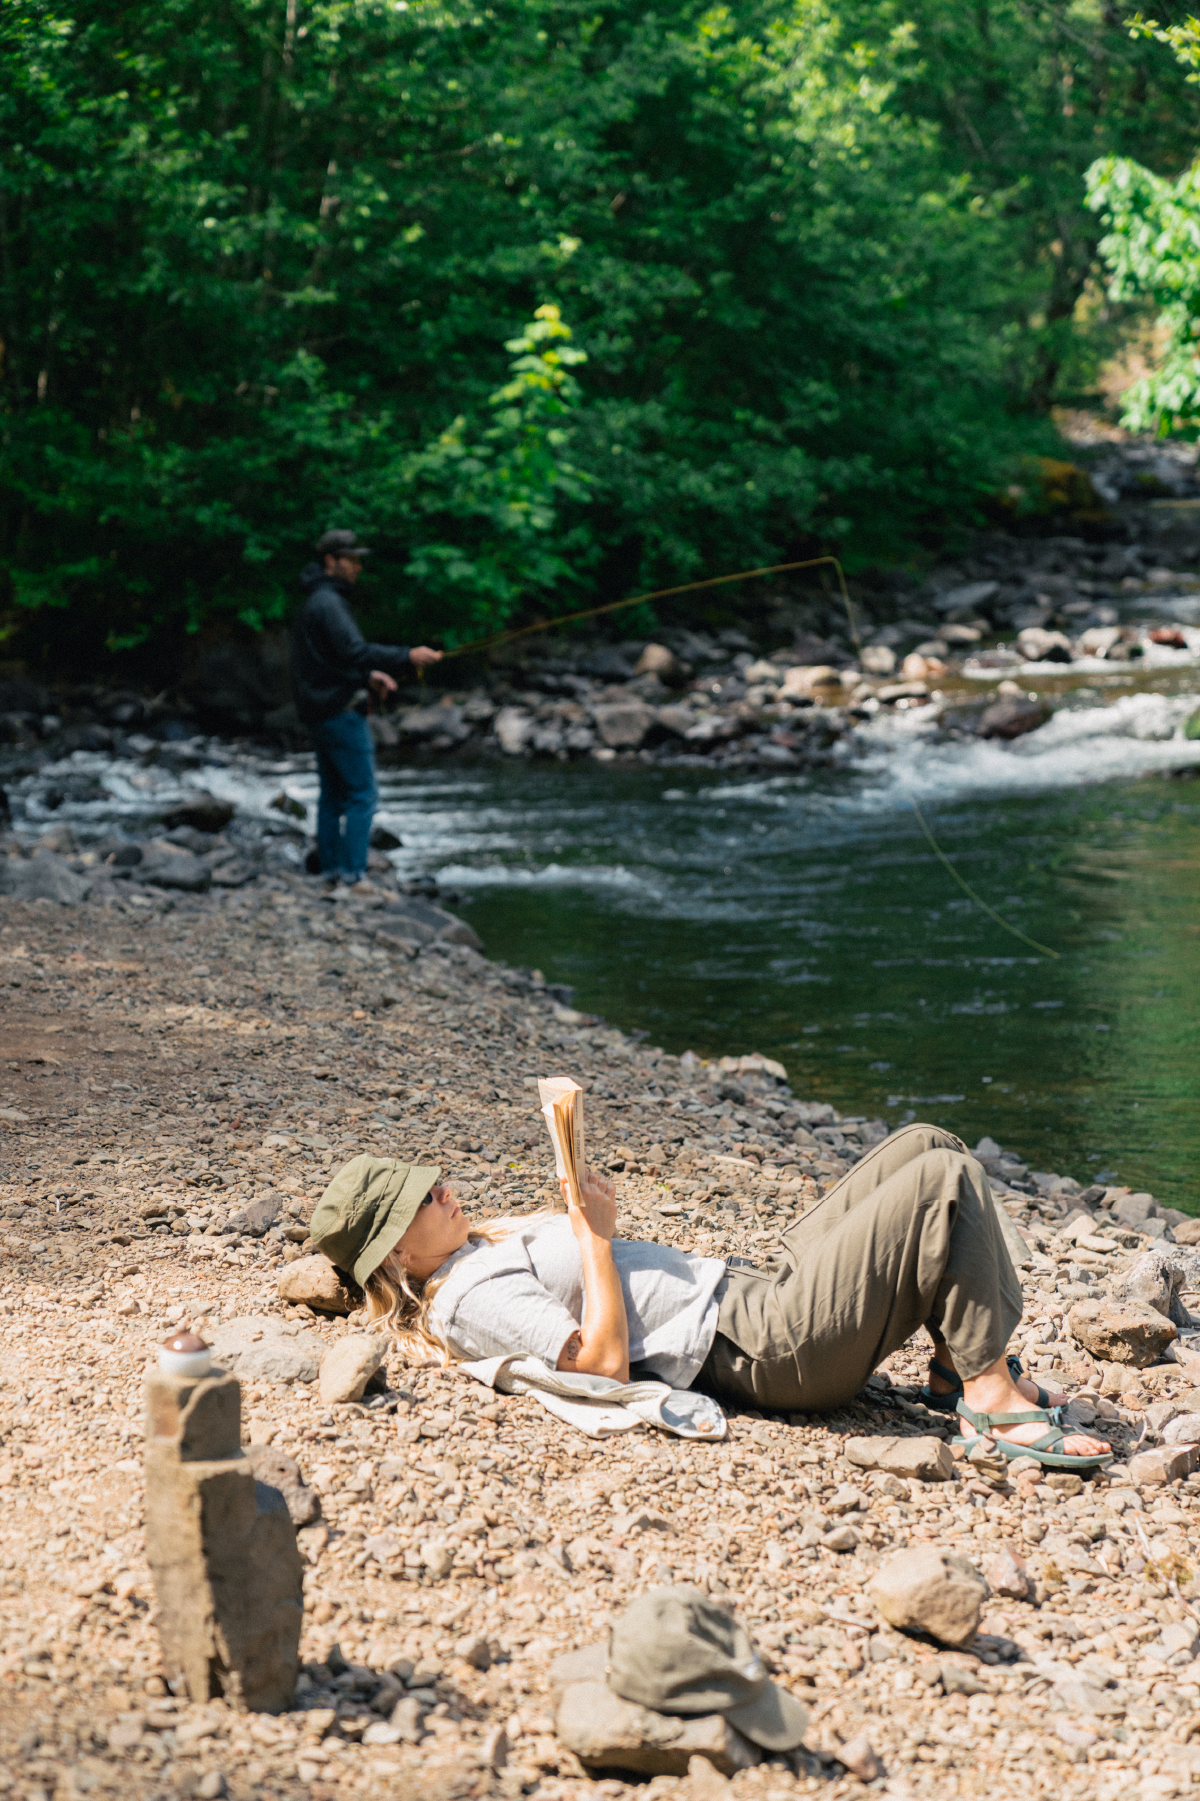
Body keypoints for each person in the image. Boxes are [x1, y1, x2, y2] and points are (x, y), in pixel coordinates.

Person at [310, 1123, 1112, 1473]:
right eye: (420, 1199)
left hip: (750, 1291)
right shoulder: (464, 1298)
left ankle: (955, 1364)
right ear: (397, 1256)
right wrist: (594, 1236)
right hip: (766, 1345)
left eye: (429, 1179)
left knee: (928, 1144)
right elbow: (601, 1366)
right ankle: (990, 1396)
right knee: (946, 1182)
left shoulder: (473, 1251)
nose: (442, 1187)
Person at [290, 528, 443, 886]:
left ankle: (331, 871)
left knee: (332, 795)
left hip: (319, 710)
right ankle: (354, 875)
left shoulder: (316, 601)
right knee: (362, 795)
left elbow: (328, 661)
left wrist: (368, 676)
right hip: (339, 711)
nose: (358, 567)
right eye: (352, 560)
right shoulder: (329, 603)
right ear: (331, 561)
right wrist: (407, 656)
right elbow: (353, 651)